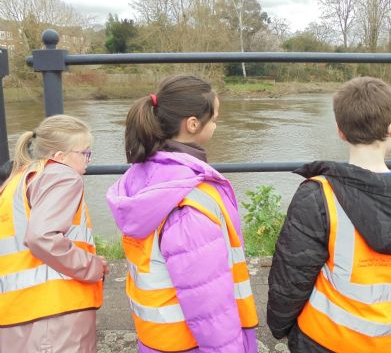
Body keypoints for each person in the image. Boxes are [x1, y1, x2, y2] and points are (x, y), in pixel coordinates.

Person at [106, 75, 259, 353]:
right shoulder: (188, 201)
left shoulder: (143, 176)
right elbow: (207, 301)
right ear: (193, 124)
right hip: (189, 344)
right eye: (214, 119)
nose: (216, 125)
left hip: (157, 338)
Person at [266, 76, 391, 353]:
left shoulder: (318, 195)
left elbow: (291, 274)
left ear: (340, 131)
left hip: (325, 340)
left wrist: (280, 326)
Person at [0, 114, 108, 353]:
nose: (89, 160)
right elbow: (42, 237)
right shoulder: (63, 176)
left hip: (17, 312)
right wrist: (92, 266)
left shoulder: (17, 180)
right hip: (56, 314)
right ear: (60, 156)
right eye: (85, 153)